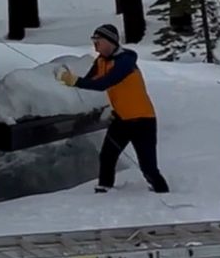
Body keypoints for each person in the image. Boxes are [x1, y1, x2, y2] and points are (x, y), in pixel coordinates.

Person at [57, 23, 170, 194]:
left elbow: (104, 83)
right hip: (121, 119)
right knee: (107, 156)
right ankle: (104, 189)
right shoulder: (101, 61)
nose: (95, 45)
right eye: (93, 41)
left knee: (148, 166)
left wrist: (75, 81)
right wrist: (69, 78)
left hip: (143, 120)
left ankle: (163, 193)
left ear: (111, 41)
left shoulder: (126, 61)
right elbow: (90, 80)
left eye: (98, 41)